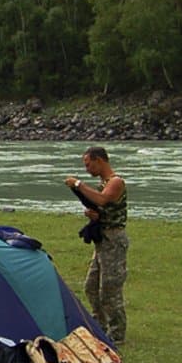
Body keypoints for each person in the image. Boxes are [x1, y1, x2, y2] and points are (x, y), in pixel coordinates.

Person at [65, 145, 128, 346]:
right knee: (91, 286)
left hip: (114, 240)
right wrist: (94, 216)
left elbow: (103, 199)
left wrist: (79, 184)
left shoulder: (116, 182)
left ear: (99, 160)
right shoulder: (102, 183)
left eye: (88, 164)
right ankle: (100, 326)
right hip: (102, 239)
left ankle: (117, 333)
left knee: (110, 288)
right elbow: (102, 207)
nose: (87, 169)